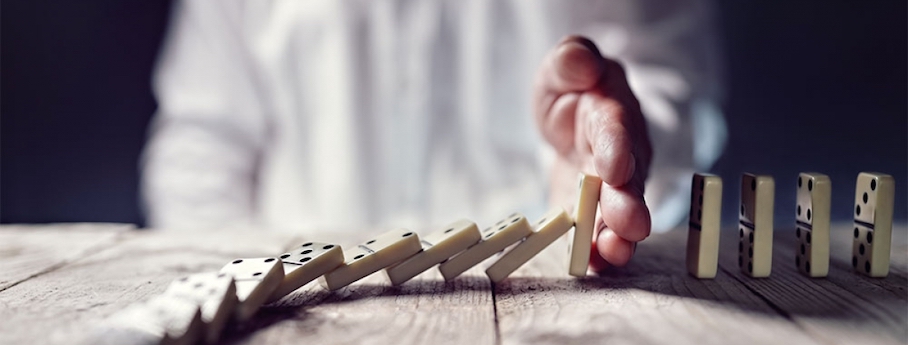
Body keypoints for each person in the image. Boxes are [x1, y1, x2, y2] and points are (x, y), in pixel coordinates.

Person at [141, 0, 726, 273]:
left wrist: (621, 156)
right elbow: (201, 148)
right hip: (294, 299)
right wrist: (247, 293)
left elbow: (672, 88)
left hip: (540, 295)